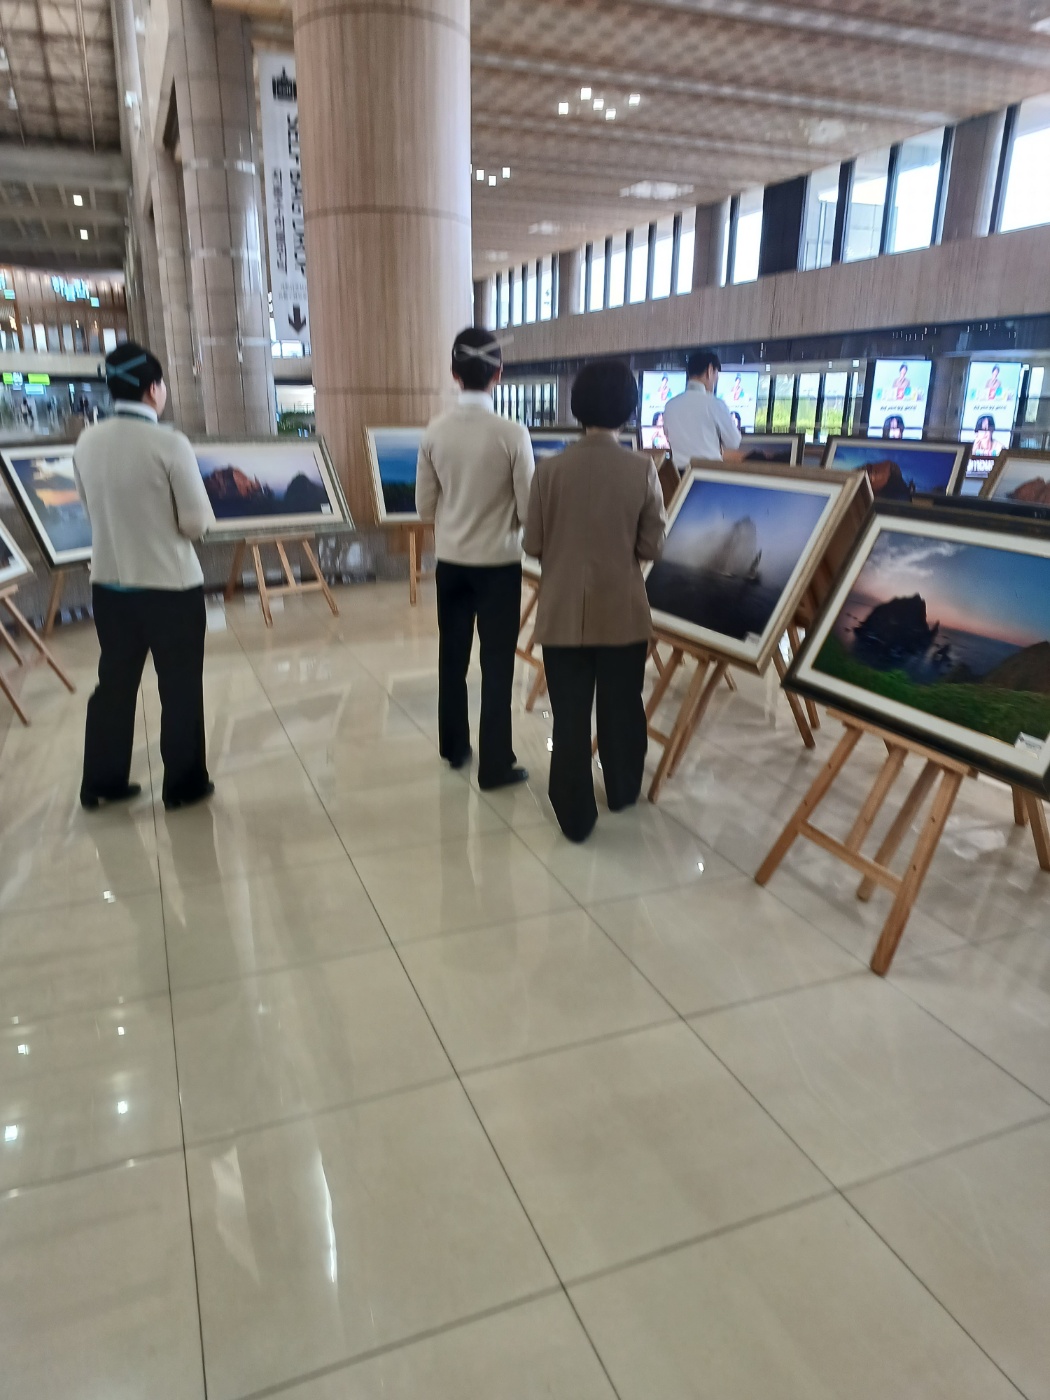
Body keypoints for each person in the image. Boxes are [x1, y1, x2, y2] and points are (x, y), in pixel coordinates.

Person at [524, 360, 667, 843]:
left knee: (569, 714)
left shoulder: (548, 470)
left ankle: (574, 814)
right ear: (629, 409)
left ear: (577, 407)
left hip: (562, 611)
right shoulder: (641, 470)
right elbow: (653, 546)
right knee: (622, 706)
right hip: (623, 611)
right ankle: (623, 790)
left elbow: (533, 543)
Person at [75, 341, 216, 811]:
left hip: (110, 586)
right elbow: (195, 520)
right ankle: (183, 785)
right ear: (153, 389)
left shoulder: (88, 441)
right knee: (179, 687)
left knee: (114, 684)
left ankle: (102, 780)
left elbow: (89, 508)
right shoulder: (169, 443)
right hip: (170, 588)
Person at [416, 327, 534, 790]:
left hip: (451, 563)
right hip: (499, 564)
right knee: (497, 664)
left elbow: (425, 508)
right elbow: (529, 509)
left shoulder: (434, 432)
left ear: (454, 374)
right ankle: (495, 764)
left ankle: (453, 746)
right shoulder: (512, 433)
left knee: (452, 656)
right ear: (498, 374)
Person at [661, 347, 742, 469]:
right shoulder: (715, 404)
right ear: (710, 370)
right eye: (716, 374)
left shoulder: (670, 405)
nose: (716, 380)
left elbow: (667, 436)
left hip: (678, 475)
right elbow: (734, 442)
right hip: (709, 474)